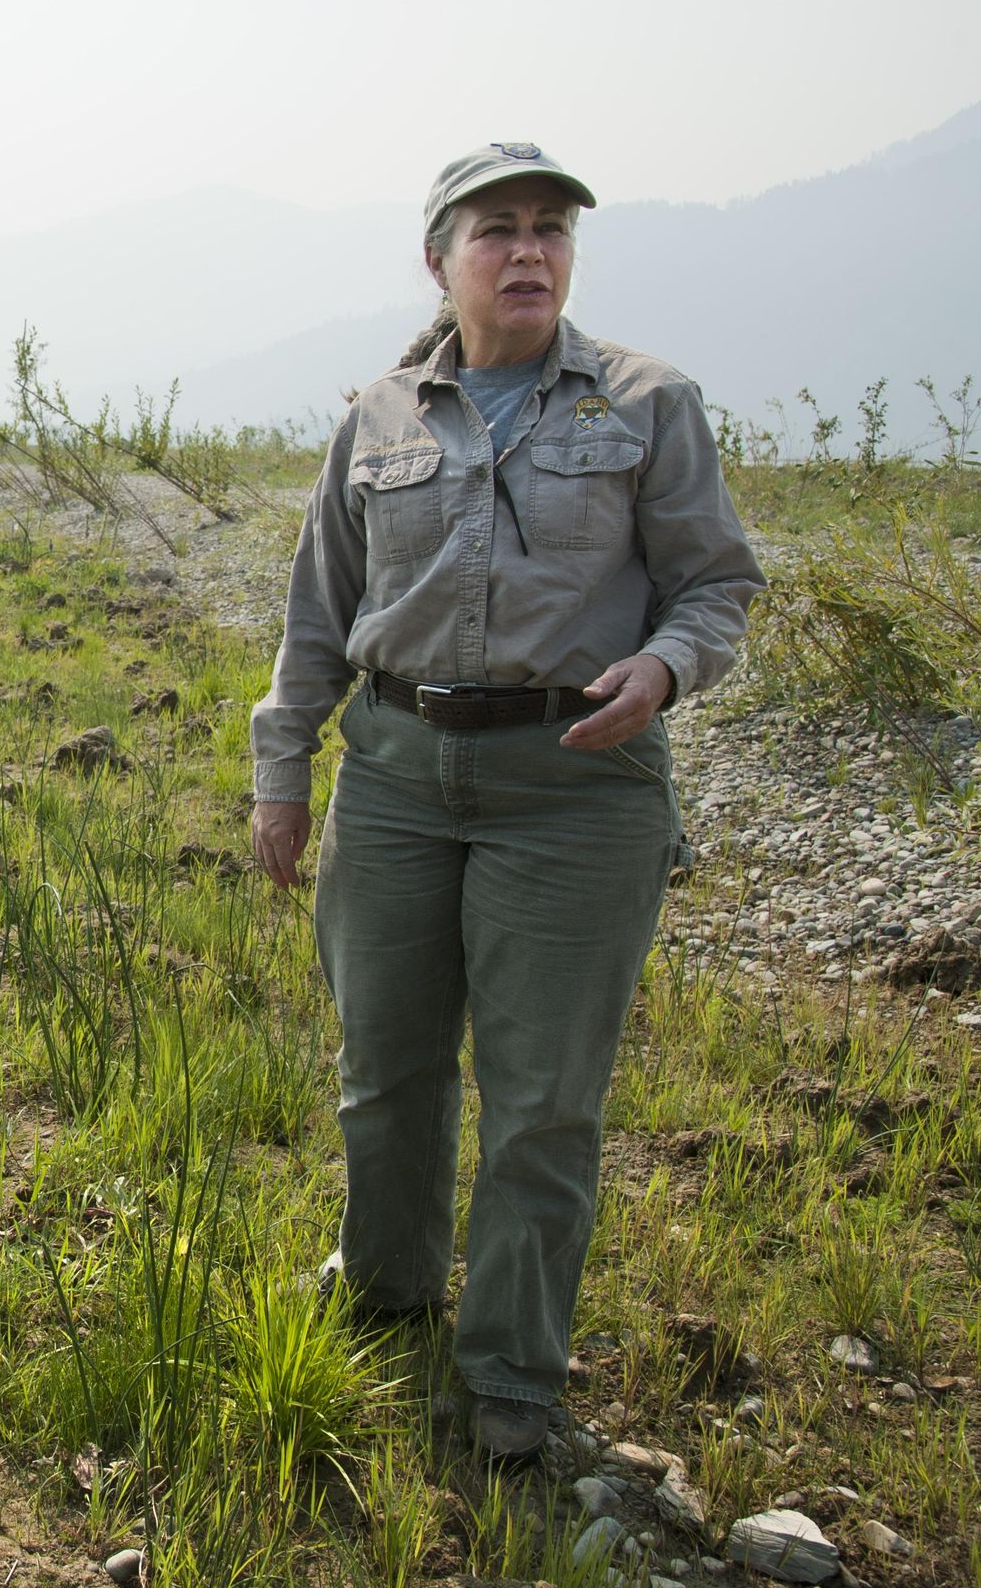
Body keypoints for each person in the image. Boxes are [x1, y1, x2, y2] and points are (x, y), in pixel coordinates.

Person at [246, 143, 766, 1459]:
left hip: (577, 784)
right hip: (399, 776)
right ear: (442, 259)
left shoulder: (649, 405)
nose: (527, 251)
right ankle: (387, 1286)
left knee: (541, 1100)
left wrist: (664, 664)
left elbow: (717, 585)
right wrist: (283, 769)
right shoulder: (378, 419)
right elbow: (321, 616)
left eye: (549, 230)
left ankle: (514, 1372)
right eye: (497, 231)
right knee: (386, 1071)